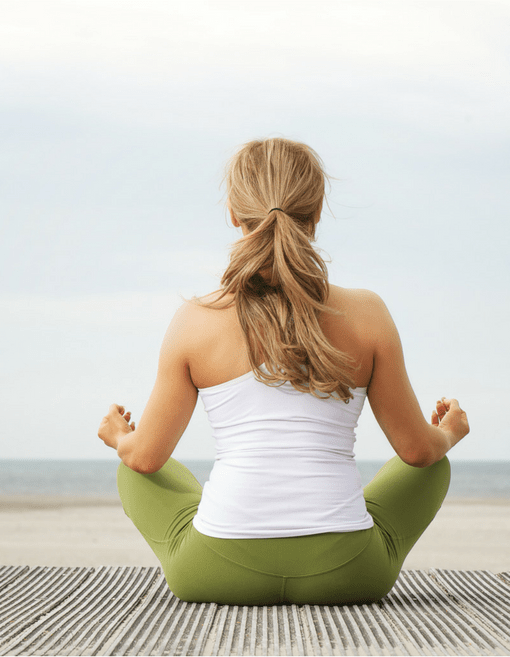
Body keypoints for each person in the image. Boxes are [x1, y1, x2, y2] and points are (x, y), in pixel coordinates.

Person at [96, 137, 470, 605]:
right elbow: (416, 451)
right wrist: (448, 433)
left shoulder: (194, 319)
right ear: (316, 214)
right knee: (432, 467)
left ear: (234, 212)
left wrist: (119, 438)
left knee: (134, 470)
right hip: (348, 571)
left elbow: (146, 459)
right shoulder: (368, 313)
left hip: (214, 570)